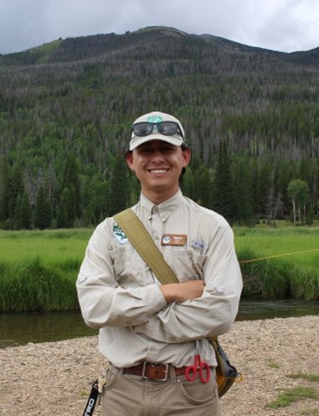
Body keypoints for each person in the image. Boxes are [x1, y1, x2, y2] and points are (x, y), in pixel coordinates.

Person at [76, 111, 243, 415]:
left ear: (185, 156)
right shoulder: (108, 231)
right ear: (131, 160)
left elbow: (221, 312)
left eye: (167, 149)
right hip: (122, 390)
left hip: (192, 391)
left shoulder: (213, 227)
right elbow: (92, 306)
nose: (157, 158)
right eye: (146, 151)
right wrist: (168, 294)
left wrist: (131, 317)